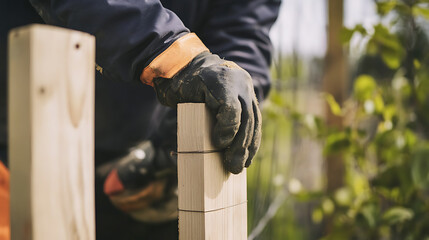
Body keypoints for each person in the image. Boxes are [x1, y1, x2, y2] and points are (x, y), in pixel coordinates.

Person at [0, 0, 280, 239]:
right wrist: (174, 56)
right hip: (19, 147)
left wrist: (212, 114)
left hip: (143, 150)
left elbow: (243, 34)